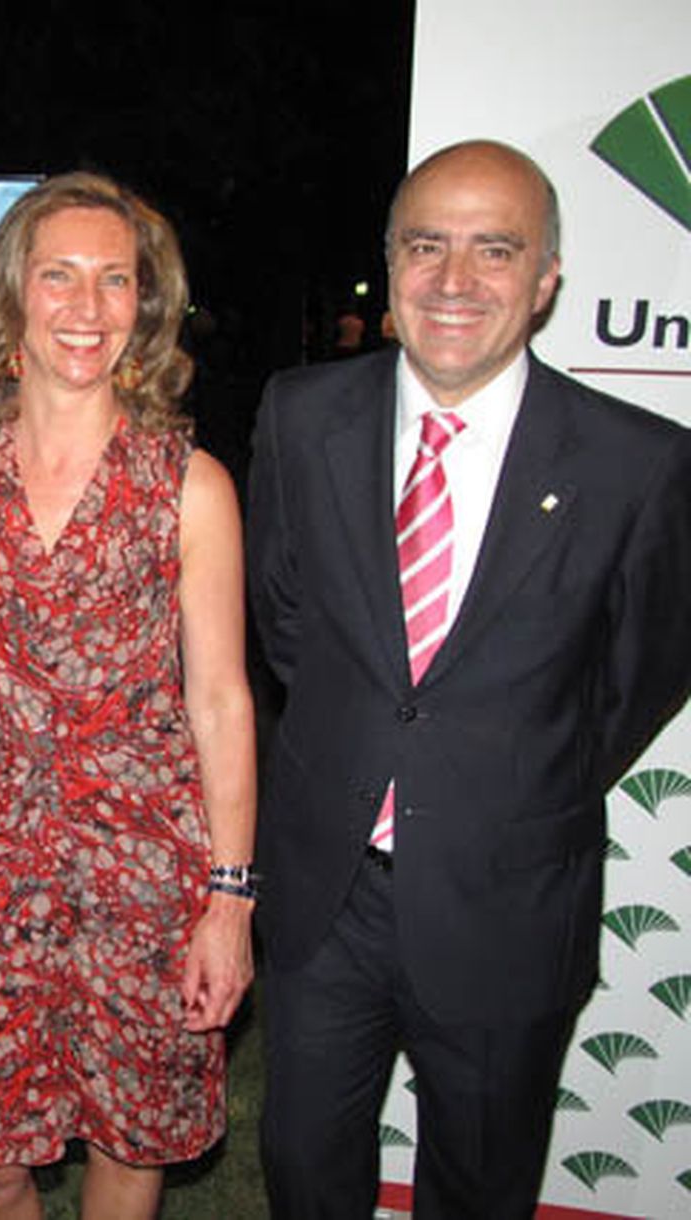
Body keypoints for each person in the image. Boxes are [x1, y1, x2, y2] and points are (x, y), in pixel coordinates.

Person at [248, 140, 691, 1218]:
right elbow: (285, 621)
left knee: (482, 1186)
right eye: (426, 244)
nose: (454, 280)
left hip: (508, 899)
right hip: (323, 896)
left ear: (544, 281)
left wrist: (504, 773)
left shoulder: (638, 462)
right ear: (390, 261)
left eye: (494, 250)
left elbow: (641, 674)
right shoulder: (300, 416)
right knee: (305, 1170)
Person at [0, 172, 257, 1219]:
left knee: (126, 1139)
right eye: (59, 275)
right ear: (14, 292)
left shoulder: (190, 487)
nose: (86, 306)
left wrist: (228, 901)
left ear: (144, 303)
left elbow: (222, 702)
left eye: (114, 280)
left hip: (147, 868)